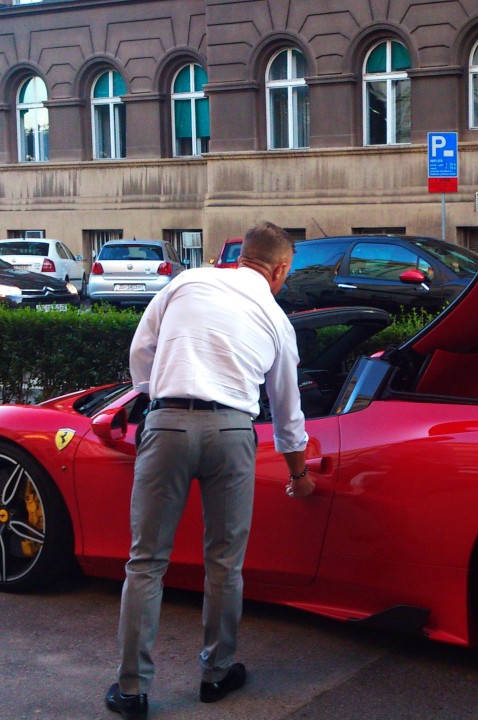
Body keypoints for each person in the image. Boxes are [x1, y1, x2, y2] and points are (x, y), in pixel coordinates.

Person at [106, 222, 314, 720]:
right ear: (281, 269)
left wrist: (155, 399)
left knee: (146, 562)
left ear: (242, 255)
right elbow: (288, 413)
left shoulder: (187, 282)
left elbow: (141, 350)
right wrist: (299, 475)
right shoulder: (277, 319)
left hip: (168, 426)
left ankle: (132, 690)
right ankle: (217, 674)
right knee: (224, 563)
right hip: (232, 434)